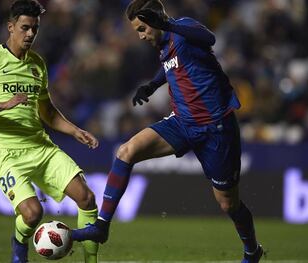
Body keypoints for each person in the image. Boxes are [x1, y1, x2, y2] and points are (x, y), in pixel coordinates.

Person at [71, 0, 263, 262]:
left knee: (228, 204)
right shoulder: (163, 47)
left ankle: (252, 251)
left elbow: (210, 37)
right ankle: (101, 226)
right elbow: (171, 66)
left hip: (216, 128)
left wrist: (169, 23)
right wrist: (152, 85)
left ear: (155, 20)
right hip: (182, 123)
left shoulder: (182, 28)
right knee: (126, 151)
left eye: (142, 28)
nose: (141, 36)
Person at [0, 1, 99, 262]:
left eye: (35, 28)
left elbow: (47, 111)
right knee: (33, 214)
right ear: (10, 27)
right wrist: (4, 104)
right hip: (6, 153)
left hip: (40, 147)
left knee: (87, 197)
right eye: (25, 28)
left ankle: (91, 261)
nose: (30, 34)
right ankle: (19, 242)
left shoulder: (37, 64)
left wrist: (74, 130)